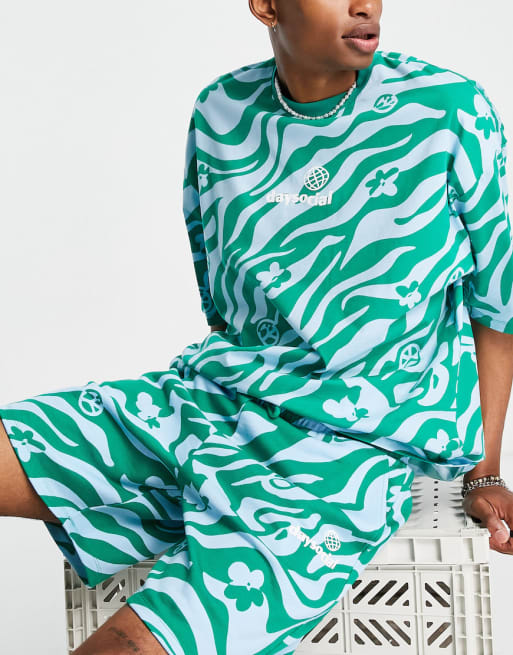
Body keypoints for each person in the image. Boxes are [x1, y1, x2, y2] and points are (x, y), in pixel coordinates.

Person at [1, 1, 513, 653]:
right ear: (266, 5)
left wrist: (483, 470)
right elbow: (221, 294)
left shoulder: (448, 109)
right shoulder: (220, 111)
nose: (365, 5)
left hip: (342, 458)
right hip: (210, 402)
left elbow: (497, 302)